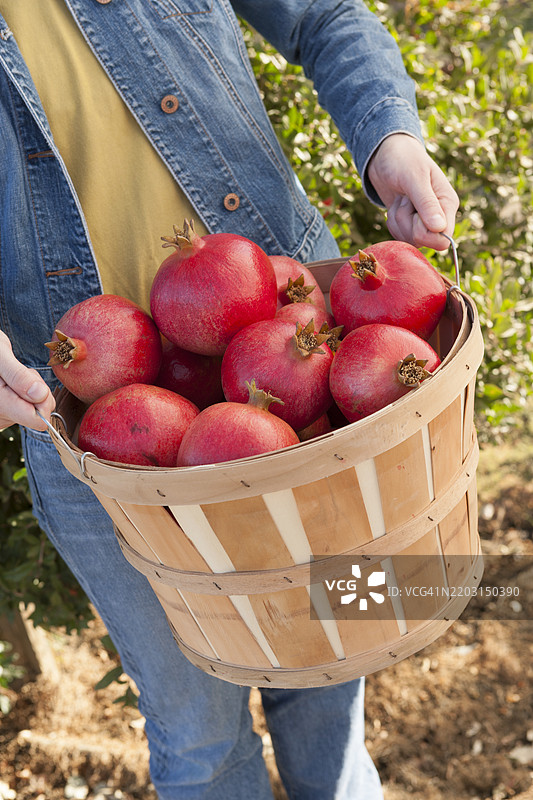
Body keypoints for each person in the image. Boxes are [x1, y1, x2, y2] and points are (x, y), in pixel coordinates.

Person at [0, 2, 458, 798]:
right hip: (87, 420)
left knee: (327, 685)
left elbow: (322, 13)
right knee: (198, 733)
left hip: (295, 349)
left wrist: (391, 138)